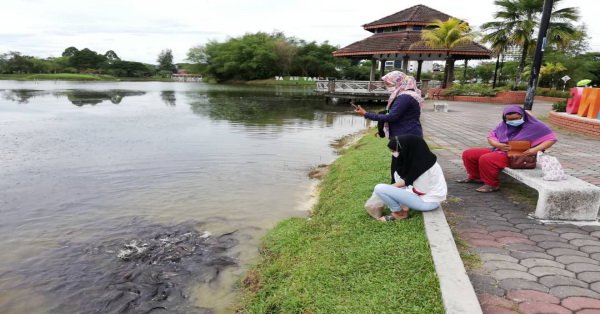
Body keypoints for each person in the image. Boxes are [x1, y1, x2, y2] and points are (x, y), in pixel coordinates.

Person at [458, 105, 558, 193]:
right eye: (509, 119)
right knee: (469, 153)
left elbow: (552, 139)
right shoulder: (503, 125)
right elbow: (491, 136)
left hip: (520, 154)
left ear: (523, 115)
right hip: (500, 150)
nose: (513, 121)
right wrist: (498, 144)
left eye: (516, 118)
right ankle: (476, 177)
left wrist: (535, 150)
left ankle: (492, 184)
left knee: (487, 158)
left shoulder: (537, 125)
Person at [354, 71, 424, 182]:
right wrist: (382, 129)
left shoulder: (405, 97)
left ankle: (398, 192)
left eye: (389, 84)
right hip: (408, 133)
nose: (387, 87)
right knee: (402, 167)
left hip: (405, 137)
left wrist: (366, 114)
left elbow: (392, 117)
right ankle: (400, 191)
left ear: (399, 82)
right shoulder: (408, 94)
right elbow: (400, 116)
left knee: (399, 169)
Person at [373, 135, 447, 222]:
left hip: (428, 201)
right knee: (392, 185)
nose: (393, 154)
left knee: (380, 188)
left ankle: (400, 213)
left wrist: (395, 192)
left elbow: (421, 191)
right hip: (426, 196)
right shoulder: (423, 159)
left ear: (406, 149)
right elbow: (408, 179)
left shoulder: (424, 167)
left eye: (394, 151)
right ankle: (403, 205)